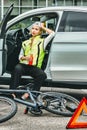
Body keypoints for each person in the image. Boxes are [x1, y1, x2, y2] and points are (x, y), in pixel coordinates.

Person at [10, 22, 55, 99]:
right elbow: (20, 56)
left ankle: (32, 92)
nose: (34, 30)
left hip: (34, 67)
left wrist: (43, 27)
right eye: (33, 29)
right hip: (23, 65)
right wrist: (24, 58)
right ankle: (12, 92)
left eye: (36, 29)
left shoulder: (43, 42)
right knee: (17, 68)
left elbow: (52, 34)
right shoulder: (25, 43)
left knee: (42, 75)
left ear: (40, 32)